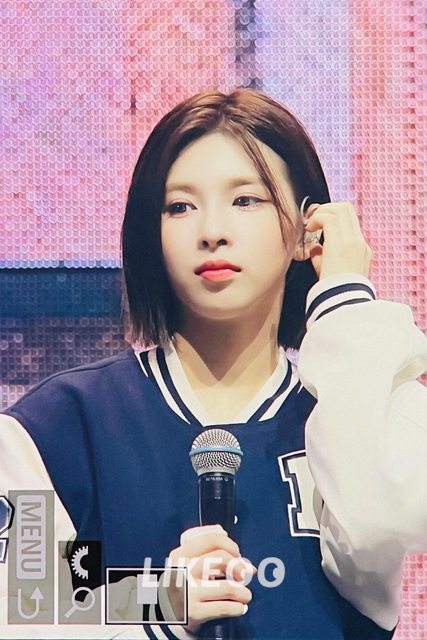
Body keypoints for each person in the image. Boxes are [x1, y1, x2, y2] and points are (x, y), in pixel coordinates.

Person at [1, 88, 426, 640]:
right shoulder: (59, 428)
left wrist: (344, 298)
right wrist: (157, 604)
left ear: (307, 230)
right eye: (180, 207)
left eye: (246, 200)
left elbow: (388, 515)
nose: (212, 231)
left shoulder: (346, 419)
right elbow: (26, 608)